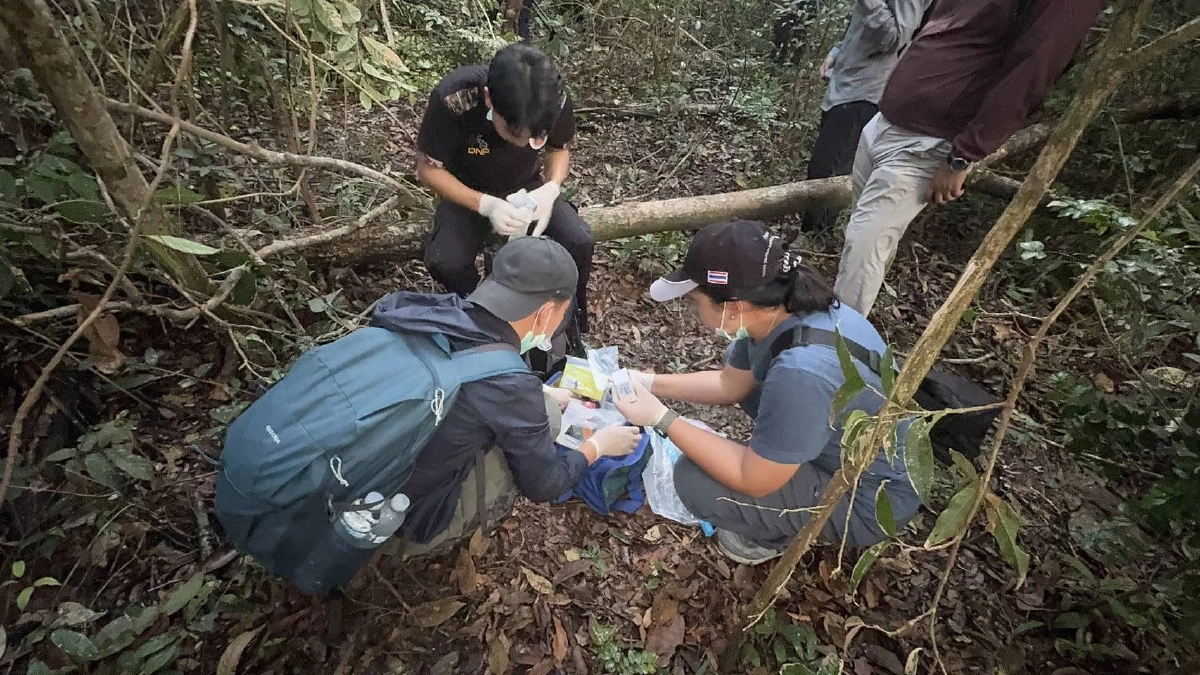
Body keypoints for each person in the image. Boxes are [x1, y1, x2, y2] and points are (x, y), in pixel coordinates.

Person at [611, 220, 918, 565]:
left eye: (697, 301)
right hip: (846, 446)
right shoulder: (783, 310)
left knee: (694, 478)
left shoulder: (800, 373)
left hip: (868, 497)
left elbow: (751, 479)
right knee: (751, 390)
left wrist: (661, 418)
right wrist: (650, 382)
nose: (694, 311)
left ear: (734, 306)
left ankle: (768, 537)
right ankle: (790, 463)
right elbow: (731, 385)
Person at [833, 0, 1106, 316]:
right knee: (866, 244)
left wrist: (962, 156)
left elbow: (1031, 74)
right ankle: (845, 335)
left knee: (862, 247)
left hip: (927, 143)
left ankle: (837, 353)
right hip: (886, 119)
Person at [372, 237, 639, 556]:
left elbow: (463, 370)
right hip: (391, 521)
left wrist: (540, 389)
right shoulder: (511, 387)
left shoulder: (425, 310)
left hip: (356, 475)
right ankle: (419, 545)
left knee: (539, 408)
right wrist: (598, 446)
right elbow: (544, 485)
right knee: (547, 420)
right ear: (546, 314)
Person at [415, 43, 594, 337]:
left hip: (528, 187)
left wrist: (551, 188)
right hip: (466, 190)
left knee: (578, 240)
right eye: (514, 134)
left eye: (534, 138)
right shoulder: (456, 97)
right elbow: (428, 169)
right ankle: (481, 320)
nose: (524, 144)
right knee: (446, 261)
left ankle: (568, 323)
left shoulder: (552, 97)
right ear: (489, 99)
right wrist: (486, 205)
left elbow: (559, 149)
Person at [801, 0, 933, 232]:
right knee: (821, 169)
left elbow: (895, 40)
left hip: (865, 93)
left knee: (827, 172)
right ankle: (813, 235)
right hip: (845, 83)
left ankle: (814, 240)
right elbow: (861, 25)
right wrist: (837, 51)